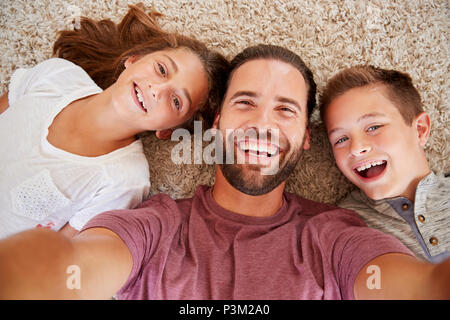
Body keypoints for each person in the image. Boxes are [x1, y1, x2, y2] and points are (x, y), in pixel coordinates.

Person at [0, 44, 449, 300]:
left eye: (286, 110)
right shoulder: (155, 224)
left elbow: (416, 287)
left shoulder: (334, 236)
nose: (262, 123)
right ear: (216, 125)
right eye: (245, 102)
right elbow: (71, 269)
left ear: (308, 138)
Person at [0, 4, 229, 238]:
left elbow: (60, 253)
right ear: (133, 59)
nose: (157, 89)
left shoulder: (125, 181)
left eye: (176, 101)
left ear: (168, 129)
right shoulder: (57, 76)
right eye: (161, 69)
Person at [319, 66, 449, 263]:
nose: (356, 148)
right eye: (341, 139)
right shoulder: (340, 227)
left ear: (420, 130)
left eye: (373, 127)